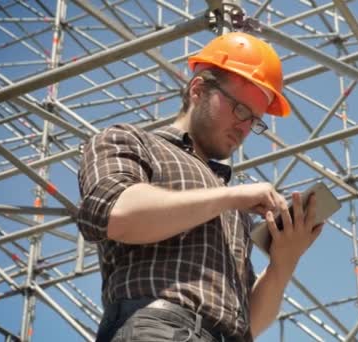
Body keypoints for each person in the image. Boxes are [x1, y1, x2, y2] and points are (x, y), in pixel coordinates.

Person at [77, 31, 324, 342]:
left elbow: (249, 324)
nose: (245, 128)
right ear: (198, 90)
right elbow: (116, 212)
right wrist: (232, 196)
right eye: (240, 110)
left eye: (255, 121)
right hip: (158, 328)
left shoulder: (230, 206)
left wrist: (283, 262)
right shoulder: (129, 141)